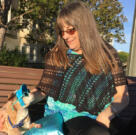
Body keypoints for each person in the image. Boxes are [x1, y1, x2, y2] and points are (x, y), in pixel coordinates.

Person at [31, 1, 129, 135]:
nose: (65, 36)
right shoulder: (57, 55)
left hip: (102, 116)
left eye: (70, 30)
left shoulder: (108, 54)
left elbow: (122, 95)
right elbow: (43, 90)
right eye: (62, 31)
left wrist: (106, 115)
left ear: (85, 27)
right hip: (65, 119)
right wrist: (18, 102)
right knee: (97, 132)